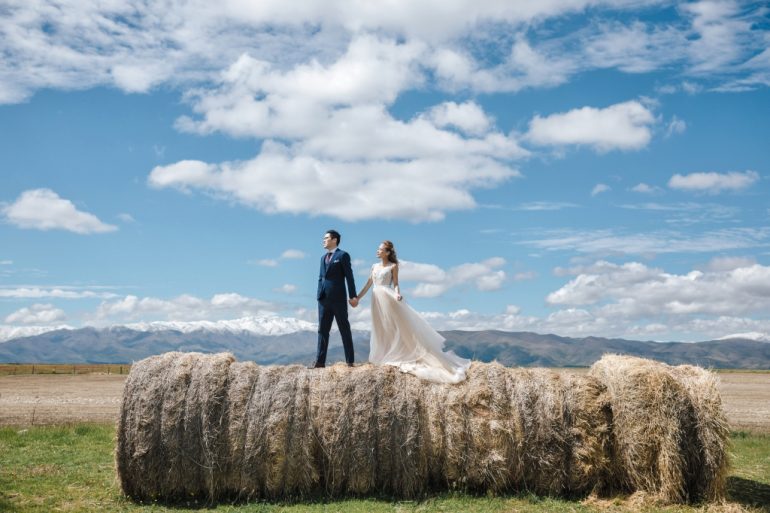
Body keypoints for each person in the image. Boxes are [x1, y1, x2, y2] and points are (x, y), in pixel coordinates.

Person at [354, 240, 470, 384]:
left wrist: (397, 294)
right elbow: (368, 284)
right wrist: (357, 298)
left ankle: (398, 354)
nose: (377, 251)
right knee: (380, 327)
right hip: (375, 299)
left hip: (387, 297)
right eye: (378, 249)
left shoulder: (393, 266)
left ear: (388, 252)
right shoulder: (374, 266)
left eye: (380, 249)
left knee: (393, 326)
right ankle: (385, 354)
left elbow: (396, 283)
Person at [311, 230, 358, 368]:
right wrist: (319, 294)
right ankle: (320, 362)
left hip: (338, 299)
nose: (323, 240)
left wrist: (353, 296)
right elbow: (321, 277)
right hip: (323, 299)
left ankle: (350, 361)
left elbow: (349, 277)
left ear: (334, 240)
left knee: (344, 328)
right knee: (322, 330)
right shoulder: (322, 258)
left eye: (326, 238)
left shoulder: (342, 255)